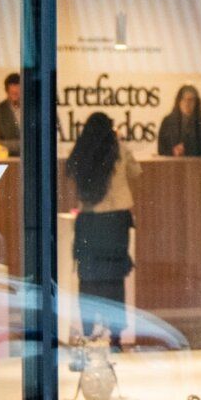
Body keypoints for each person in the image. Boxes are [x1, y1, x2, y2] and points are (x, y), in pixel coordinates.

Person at [65, 112, 136, 347]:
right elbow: (136, 171)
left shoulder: (80, 151)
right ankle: (115, 335)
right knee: (114, 279)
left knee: (88, 278)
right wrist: (120, 141)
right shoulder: (119, 151)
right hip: (115, 221)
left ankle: (88, 329)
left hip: (89, 221)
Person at [156, 84, 201, 157]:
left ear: (196, 103)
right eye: (184, 99)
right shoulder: (167, 122)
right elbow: (161, 150)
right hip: (172, 166)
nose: (187, 103)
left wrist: (187, 150)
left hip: (197, 166)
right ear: (178, 101)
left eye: (191, 100)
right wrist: (173, 152)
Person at [0, 72, 24, 157]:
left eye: (18, 94)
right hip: (7, 162)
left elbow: (39, 141)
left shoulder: (33, 110)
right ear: (6, 91)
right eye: (13, 94)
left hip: (32, 161)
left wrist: (7, 144)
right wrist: (24, 144)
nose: (15, 97)